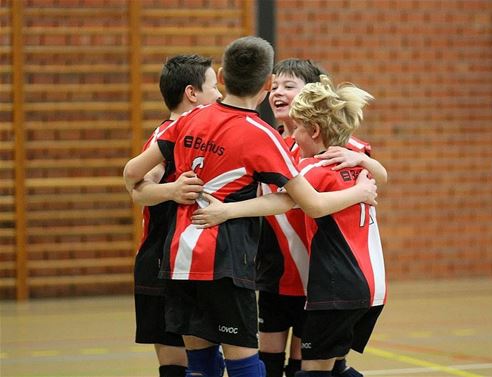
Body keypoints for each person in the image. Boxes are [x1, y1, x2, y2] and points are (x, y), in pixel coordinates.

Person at [123, 36, 377, 377]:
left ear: (223, 76)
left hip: (178, 258)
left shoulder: (187, 120)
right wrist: (362, 191)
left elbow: (132, 176)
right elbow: (309, 203)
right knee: (244, 364)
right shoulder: (261, 135)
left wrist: (171, 190)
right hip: (226, 259)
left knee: (199, 365)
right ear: (267, 84)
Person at [192, 75, 386, 377]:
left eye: (297, 130)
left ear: (315, 131)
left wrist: (226, 211)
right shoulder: (355, 162)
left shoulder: (314, 167)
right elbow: (381, 176)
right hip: (372, 286)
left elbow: (284, 200)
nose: (293, 137)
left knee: (312, 371)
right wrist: (362, 182)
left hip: (338, 284)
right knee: (333, 367)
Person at [258, 58, 387, 377]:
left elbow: (374, 176)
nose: (279, 92)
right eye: (275, 86)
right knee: (270, 362)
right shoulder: (266, 142)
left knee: (317, 364)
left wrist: (361, 161)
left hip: (318, 276)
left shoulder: (333, 149)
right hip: (276, 271)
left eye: (290, 86)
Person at [127, 54, 221, 377]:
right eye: (213, 87)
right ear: (192, 93)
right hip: (160, 262)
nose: (220, 95)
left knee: (207, 361)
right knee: (176, 367)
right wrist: (172, 191)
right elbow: (138, 187)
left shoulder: (207, 137)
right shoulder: (166, 136)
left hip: (194, 261)